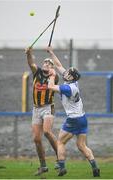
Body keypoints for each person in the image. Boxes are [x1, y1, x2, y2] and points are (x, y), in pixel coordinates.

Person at [47, 46, 100, 177]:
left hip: (73, 119)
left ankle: (62, 167)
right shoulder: (73, 82)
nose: (65, 73)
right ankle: (95, 167)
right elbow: (59, 65)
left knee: (60, 142)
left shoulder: (68, 88)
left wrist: (52, 75)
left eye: (68, 73)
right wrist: (51, 53)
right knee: (81, 145)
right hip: (82, 119)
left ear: (71, 77)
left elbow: (50, 87)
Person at [25, 47, 59, 176]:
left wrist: (53, 71)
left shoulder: (53, 77)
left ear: (52, 67)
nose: (46, 64)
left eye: (50, 64)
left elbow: (54, 78)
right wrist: (29, 53)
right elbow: (31, 63)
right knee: (36, 139)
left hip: (48, 107)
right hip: (36, 108)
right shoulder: (37, 72)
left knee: (47, 131)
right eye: (45, 62)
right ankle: (43, 166)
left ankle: (59, 158)